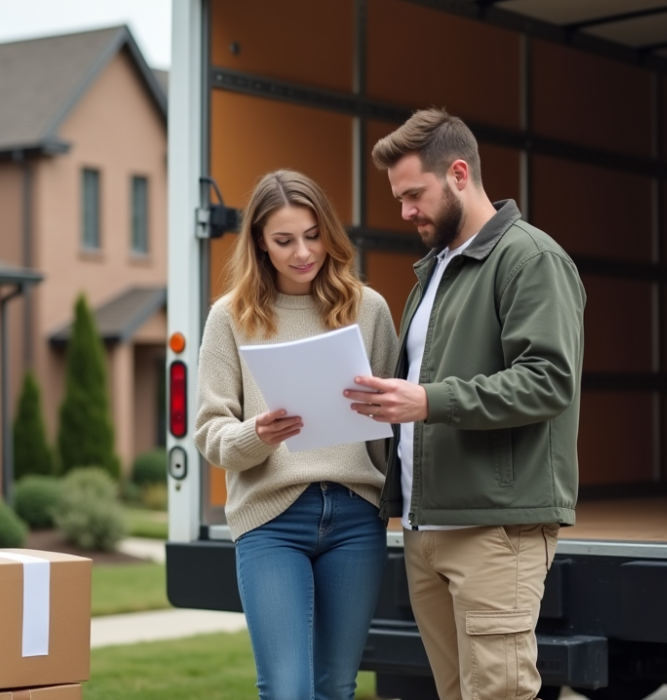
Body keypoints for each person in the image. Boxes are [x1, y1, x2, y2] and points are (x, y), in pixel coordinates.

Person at [344, 108, 586, 700]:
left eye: (414, 195)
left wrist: (428, 400)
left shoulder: (531, 259)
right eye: (399, 199)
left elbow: (549, 380)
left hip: (494, 529)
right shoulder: (435, 272)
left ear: (458, 174)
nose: (405, 212)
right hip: (426, 529)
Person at [194, 169, 400, 700]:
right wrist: (257, 435)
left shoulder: (369, 310)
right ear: (260, 243)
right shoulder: (229, 317)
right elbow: (211, 433)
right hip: (271, 520)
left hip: (356, 517)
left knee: (336, 688)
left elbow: (395, 424)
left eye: (313, 235)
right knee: (287, 690)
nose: (303, 252)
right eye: (284, 240)